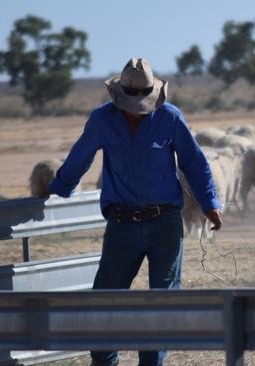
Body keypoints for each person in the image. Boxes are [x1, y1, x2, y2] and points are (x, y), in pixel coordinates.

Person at [48, 57, 223, 366]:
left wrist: (209, 204)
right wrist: (59, 188)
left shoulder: (169, 117)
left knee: (161, 303)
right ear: (119, 94)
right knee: (105, 302)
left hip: (165, 223)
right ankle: (104, 361)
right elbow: (80, 157)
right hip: (122, 224)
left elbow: (194, 162)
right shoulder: (103, 119)